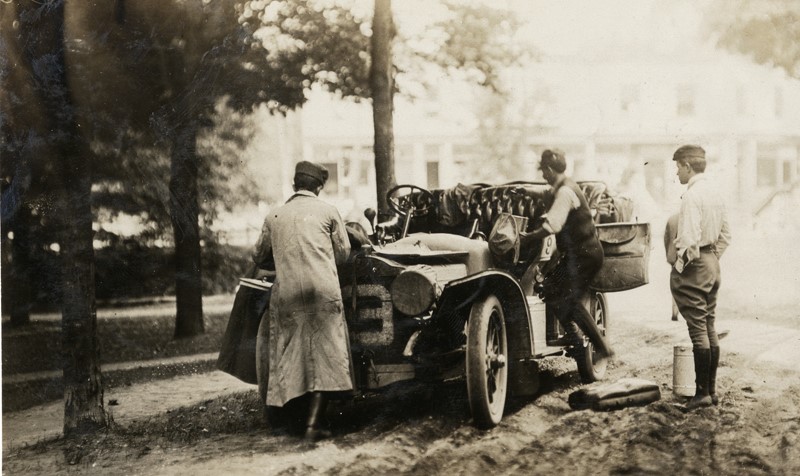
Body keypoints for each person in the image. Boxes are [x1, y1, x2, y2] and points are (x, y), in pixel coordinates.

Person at [252, 160, 353, 441]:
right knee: (326, 356)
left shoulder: (274, 215)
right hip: (323, 292)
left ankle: (294, 422)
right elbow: (343, 254)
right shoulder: (328, 211)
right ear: (319, 187)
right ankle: (314, 423)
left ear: (294, 184)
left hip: (288, 295)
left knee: (291, 356)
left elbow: (258, 256)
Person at [520, 149, 614, 360]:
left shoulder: (565, 192)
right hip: (578, 256)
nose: (543, 175)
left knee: (569, 300)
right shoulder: (565, 186)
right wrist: (527, 192)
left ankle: (599, 346)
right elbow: (547, 195)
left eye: (544, 171)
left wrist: (528, 238)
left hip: (585, 257)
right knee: (550, 290)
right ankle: (574, 339)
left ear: (550, 169)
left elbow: (551, 226)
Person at [669, 145, 731, 410]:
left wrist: (679, 268)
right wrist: (711, 259)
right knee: (708, 325)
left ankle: (702, 394)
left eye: (678, 167)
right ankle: (711, 391)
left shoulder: (692, 196)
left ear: (687, 165)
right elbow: (726, 236)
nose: (677, 173)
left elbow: (689, 242)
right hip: (711, 264)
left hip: (695, 266)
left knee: (698, 330)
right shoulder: (715, 192)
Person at [664, 213, 682, 321]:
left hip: (674, 256)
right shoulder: (693, 217)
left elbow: (666, 239)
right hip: (688, 257)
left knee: (675, 283)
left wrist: (669, 254)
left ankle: (674, 311)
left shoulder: (672, 218)